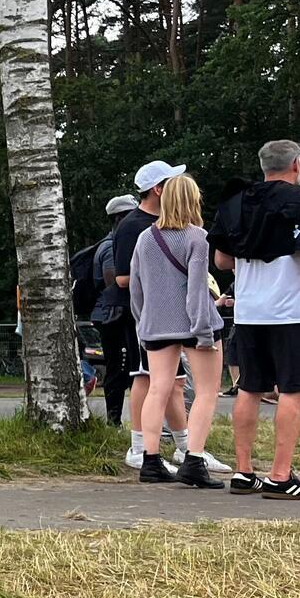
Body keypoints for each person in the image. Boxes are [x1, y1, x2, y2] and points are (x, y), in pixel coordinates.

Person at [210, 138, 300, 499]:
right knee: (295, 391)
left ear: (264, 166)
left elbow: (221, 261)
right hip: (292, 315)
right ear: (298, 164)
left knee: (249, 388)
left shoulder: (236, 205)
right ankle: (281, 476)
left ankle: (244, 472)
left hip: (249, 313)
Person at [128, 175, 224, 487]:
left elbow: (136, 289)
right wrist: (203, 331)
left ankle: (150, 459)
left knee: (158, 388)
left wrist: (144, 322)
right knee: (207, 392)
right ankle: (193, 459)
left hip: (156, 325)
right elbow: (197, 289)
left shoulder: (145, 238)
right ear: (193, 200)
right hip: (194, 324)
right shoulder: (198, 237)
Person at [90, 194, 141, 427]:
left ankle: (124, 421)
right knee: (118, 369)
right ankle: (114, 421)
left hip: (118, 314)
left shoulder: (116, 243)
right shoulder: (111, 248)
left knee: (129, 368)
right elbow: (115, 282)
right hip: (113, 316)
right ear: (120, 218)